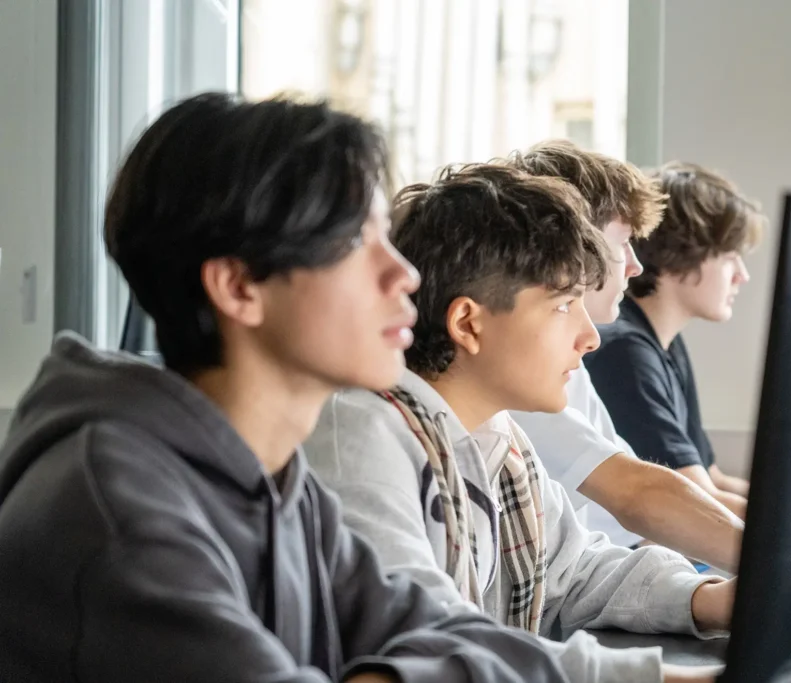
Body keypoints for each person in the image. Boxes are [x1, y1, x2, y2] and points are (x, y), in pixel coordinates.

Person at [0, 93, 570, 683]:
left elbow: (444, 631)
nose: (406, 273)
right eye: (354, 242)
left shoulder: (277, 480)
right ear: (239, 287)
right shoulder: (115, 511)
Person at [306, 161, 744, 683]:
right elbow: (432, 642)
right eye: (564, 305)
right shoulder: (364, 437)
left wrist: (709, 599)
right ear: (468, 322)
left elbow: (575, 573)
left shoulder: (499, 439)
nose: (591, 337)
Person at [504, 141, 743, 570]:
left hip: (617, 566)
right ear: (579, 248)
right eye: (624, 242)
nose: (635, 265)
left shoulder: (574, 364)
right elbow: (635, 494)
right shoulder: (534, 365)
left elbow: (640, 501)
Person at [585, 162, 766, 520]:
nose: (742, 276)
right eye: (729, 258)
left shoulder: (665, 345)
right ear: (679, 255)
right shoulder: (625, 353)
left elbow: (711, 478)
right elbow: (698, 498)